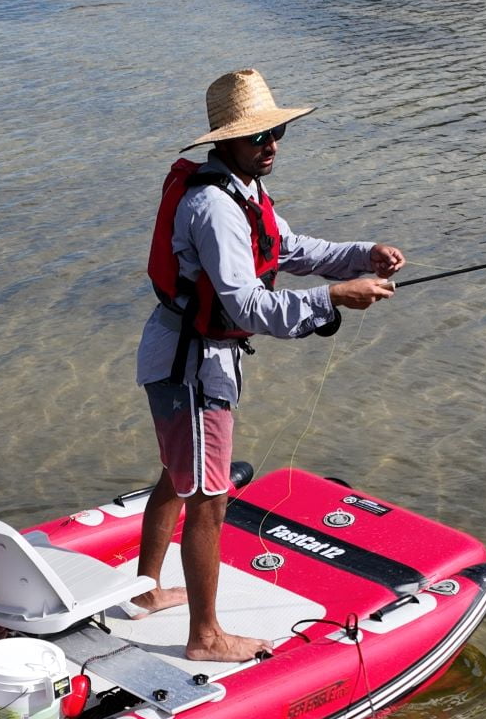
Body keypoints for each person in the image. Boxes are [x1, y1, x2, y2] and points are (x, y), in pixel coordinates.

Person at [135, 69, 401, 662]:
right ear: (223, 141)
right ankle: (205, 637)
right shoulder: (214, 208)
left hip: (184, 356)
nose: (272, 144)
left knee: (178, 475)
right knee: (209, 497)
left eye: (277, 132)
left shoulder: (241, 191)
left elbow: (291, 248)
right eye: (259, 137)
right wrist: (332, 300)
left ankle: (148, 591)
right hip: (193, 365)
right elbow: (248, 306)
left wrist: (364, 255)